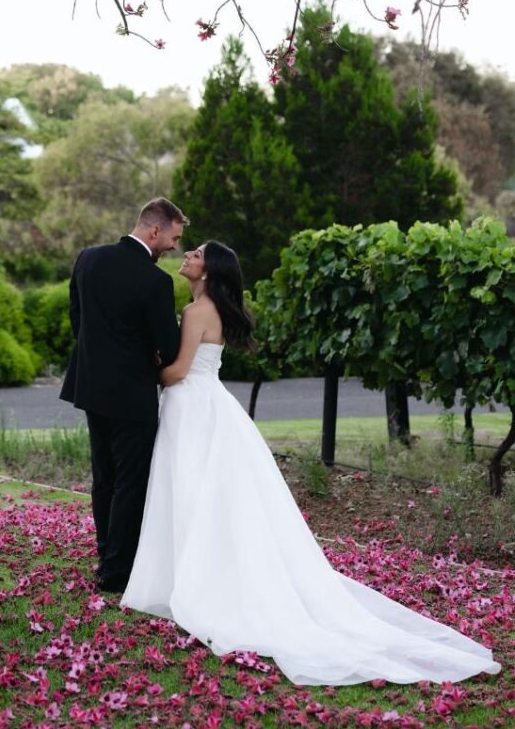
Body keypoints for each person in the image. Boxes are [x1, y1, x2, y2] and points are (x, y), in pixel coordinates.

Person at [121, 240, 501, 686]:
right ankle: (194, 574)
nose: (188, 256)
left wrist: (143, 367)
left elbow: (180, 370)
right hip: (211, 406)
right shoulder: (212, 310)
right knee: (207, 497)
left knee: (188, 493)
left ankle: (190, 582)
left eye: (197, 253)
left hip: (192, 407)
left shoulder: (196, 311)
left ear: (210, 270)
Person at [60, 197, 188, 593]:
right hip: (132, 395)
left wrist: (101, 356)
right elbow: (168, 348)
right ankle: (117, 572)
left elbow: (77, 318)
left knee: (105, 480)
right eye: (174, 237)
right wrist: (146, 356)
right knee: (131, 483)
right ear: (155, 230)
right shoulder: (157, 282)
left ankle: (107, 559)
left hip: (92, 388)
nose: (174, 247)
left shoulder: (88, 258)